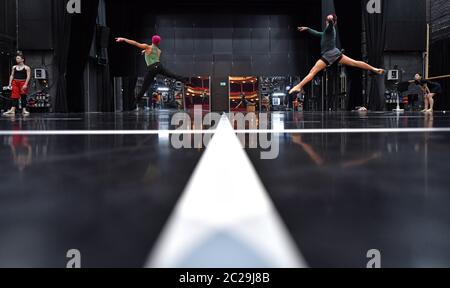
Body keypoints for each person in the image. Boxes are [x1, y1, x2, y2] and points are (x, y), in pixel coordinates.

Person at [289, 14, 385, 95]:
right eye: (326, 20)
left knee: (312, 72)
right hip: (336, 53)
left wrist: (330, 21)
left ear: (333, 22)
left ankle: (299, 86)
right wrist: (307, 28)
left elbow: (330, 25)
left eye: (328, 20)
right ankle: (374, 69)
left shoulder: (330, 29)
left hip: (329, 55)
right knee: (355, 63)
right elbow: (317, 33)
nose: (326, 21)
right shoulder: (326, 32)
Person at [116, 35, 189, 107]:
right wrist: (145, 51)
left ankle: (135, 103)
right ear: (158, 42)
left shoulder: (147, 47)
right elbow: (153, 53)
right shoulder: (159, 51)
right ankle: (184, 80)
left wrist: (124, 39)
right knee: (171, 75)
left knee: (144, 87)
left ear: (152, 40)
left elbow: (135, 43)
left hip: (152, 68)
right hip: (159, 66)